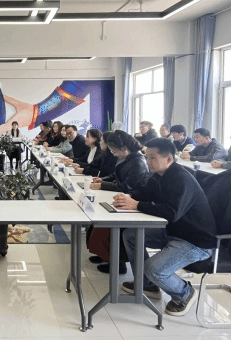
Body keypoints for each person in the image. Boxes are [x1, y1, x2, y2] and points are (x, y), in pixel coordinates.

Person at [114, 138, 217, 317]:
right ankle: (147, 285)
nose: (148, 161)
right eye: (147, 157)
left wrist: (137, 205)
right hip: (174, 231)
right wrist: (127, 197)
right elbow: (144, 193)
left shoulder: (182, 179)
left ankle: (184, 293)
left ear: (169, 159)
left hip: (195, 241)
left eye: (152, 158)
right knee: (131, 235)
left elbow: (172, 213)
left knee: (154, 269)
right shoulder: (159, 176)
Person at [88, 130, 151, 274]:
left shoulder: (138, 162)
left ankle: (118, 262)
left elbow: (127, 186)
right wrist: (102, 180)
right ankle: (104, 255)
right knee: (98, 219)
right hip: (123, 195)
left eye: (114, 151)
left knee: (109, 225)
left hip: (132, 200)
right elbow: (116, 175)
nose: (114, 154)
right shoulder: (126, 157)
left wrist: (103, 185)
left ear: (124, 148)